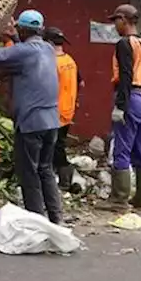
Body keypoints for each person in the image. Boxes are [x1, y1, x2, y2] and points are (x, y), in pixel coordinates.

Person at [0, 10, 64, 224]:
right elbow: (24, 54)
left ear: (23, 30)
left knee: (29, 173)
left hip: (31, 123)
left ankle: (36, 222)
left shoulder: (24, 51)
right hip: (52, 122)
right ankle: (56, 218)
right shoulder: (48, 49)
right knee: (46, 170)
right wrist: (14, 36)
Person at [106, 4, 141, 209]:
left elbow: (126, 75)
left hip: (131, 97)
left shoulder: (124, 44)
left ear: (124, 20)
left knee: (122, 149)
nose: (115, 25)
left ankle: (119, 198)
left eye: (116, 20)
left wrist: (120, 106)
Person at [44, 27, 82, 192]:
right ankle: (61, 177)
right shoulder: (70, 61)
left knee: (55, 146)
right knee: (58, 144)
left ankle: (65, 177)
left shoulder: (52, 63)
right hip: (68, 109)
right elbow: (80, 82)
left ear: (48, 43)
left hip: (55, 110)